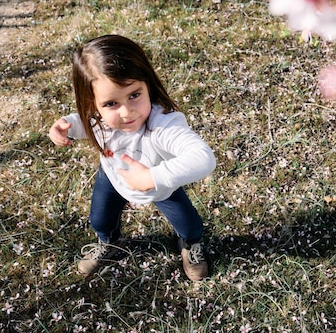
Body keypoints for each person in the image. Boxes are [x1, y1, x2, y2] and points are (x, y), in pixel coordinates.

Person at [48, 35, 216, 281]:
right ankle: (110, 242)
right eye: (111, 103)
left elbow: (204, 158)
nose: (127, 112)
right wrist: (66, 127)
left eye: (134, 95)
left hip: (161, 188)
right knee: (99, 219)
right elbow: (85, 123)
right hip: (112, 177)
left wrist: (153, 177)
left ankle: (190, 245)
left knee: (189, 224)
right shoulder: (97, 117)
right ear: (92, 103)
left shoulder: (163, 125)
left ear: (148, 84)